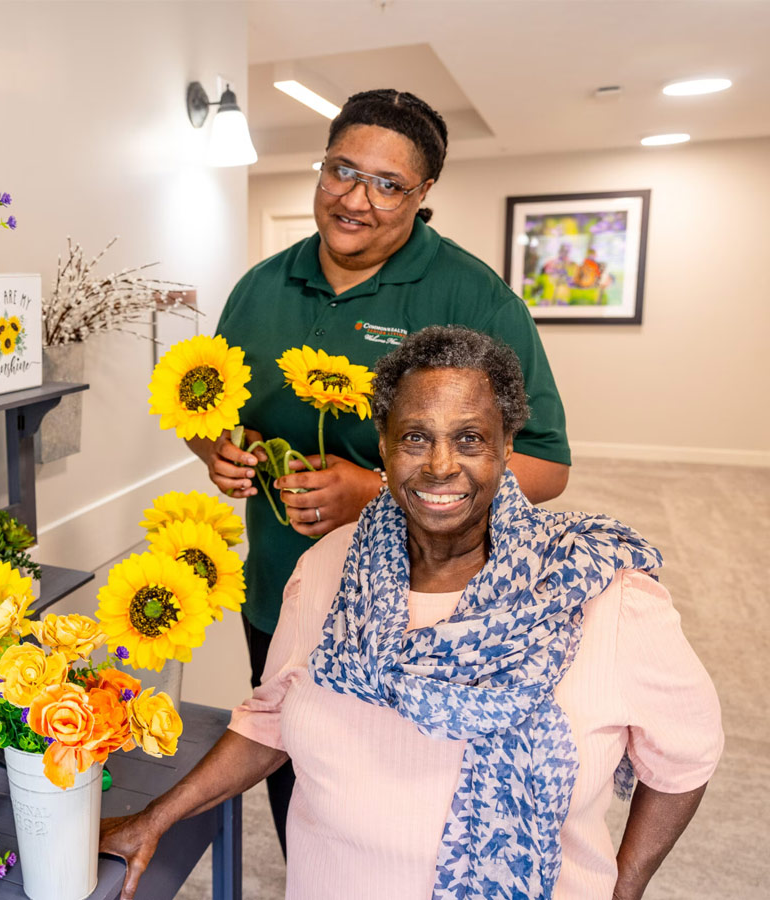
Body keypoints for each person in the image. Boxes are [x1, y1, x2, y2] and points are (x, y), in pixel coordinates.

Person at [104, 326, 722, 900]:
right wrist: (157, 816)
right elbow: (273, 716)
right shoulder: (325, 570)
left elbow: (686, 754)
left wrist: (626, 887)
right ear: (384, 445)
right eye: (416, 437)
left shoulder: (597, 593)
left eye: (471, 438)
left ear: (508, 445)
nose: (440, 465)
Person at [188, 89, 572, 852]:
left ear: (424, 193)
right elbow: (216, 410)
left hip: (417, 609)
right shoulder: (261, 287)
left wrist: (370, 490)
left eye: (387, 184)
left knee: (398, 803)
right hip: (282, 587)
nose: (354, 200)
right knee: (294, 771)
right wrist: (215, 450)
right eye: (341, 170)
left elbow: (545, 467)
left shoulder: (473, 297)